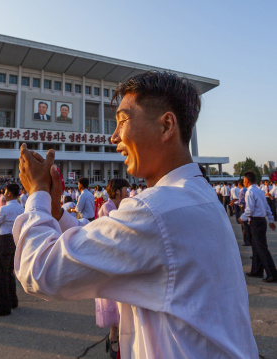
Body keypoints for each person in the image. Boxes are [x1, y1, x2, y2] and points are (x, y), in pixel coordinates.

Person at [14, 71, 258, 357]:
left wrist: (37, 193)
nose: (114, 136)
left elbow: (41, 271)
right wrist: (56, 213)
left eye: (122, 120)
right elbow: (107, 240)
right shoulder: (194, 195)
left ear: (167, 126)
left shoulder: (156, 209)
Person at [95, 178, 130, 359]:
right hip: (109, 260)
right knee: (113, 302)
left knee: (120, 302)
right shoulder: (107, 209)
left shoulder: (121, 208)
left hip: (120, 260)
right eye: (126, 189)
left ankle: (116, 338)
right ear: (117, 191)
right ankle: (113, 338)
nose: (128, 192)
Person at [0, 183, 24, 316]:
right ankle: (12, 300)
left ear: (9, 194)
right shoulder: (20, 208)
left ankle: (3, 306)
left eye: (4, 192)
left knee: (1, 274)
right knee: (9, 271)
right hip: (15, 239)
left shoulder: (4, 209)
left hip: (5, 239)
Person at [239, 171, 277, 283]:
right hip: (261, 221)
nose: (243, 182)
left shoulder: (249, 192)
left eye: (244, 180)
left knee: (261, 248)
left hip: (255, 221)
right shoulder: (260, 191)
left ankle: (272, 274)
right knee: (256, 247)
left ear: (247, 181)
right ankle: (256, 270)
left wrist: (242, 218)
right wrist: (270, 220)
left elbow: (249, 210)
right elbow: (266, 207)